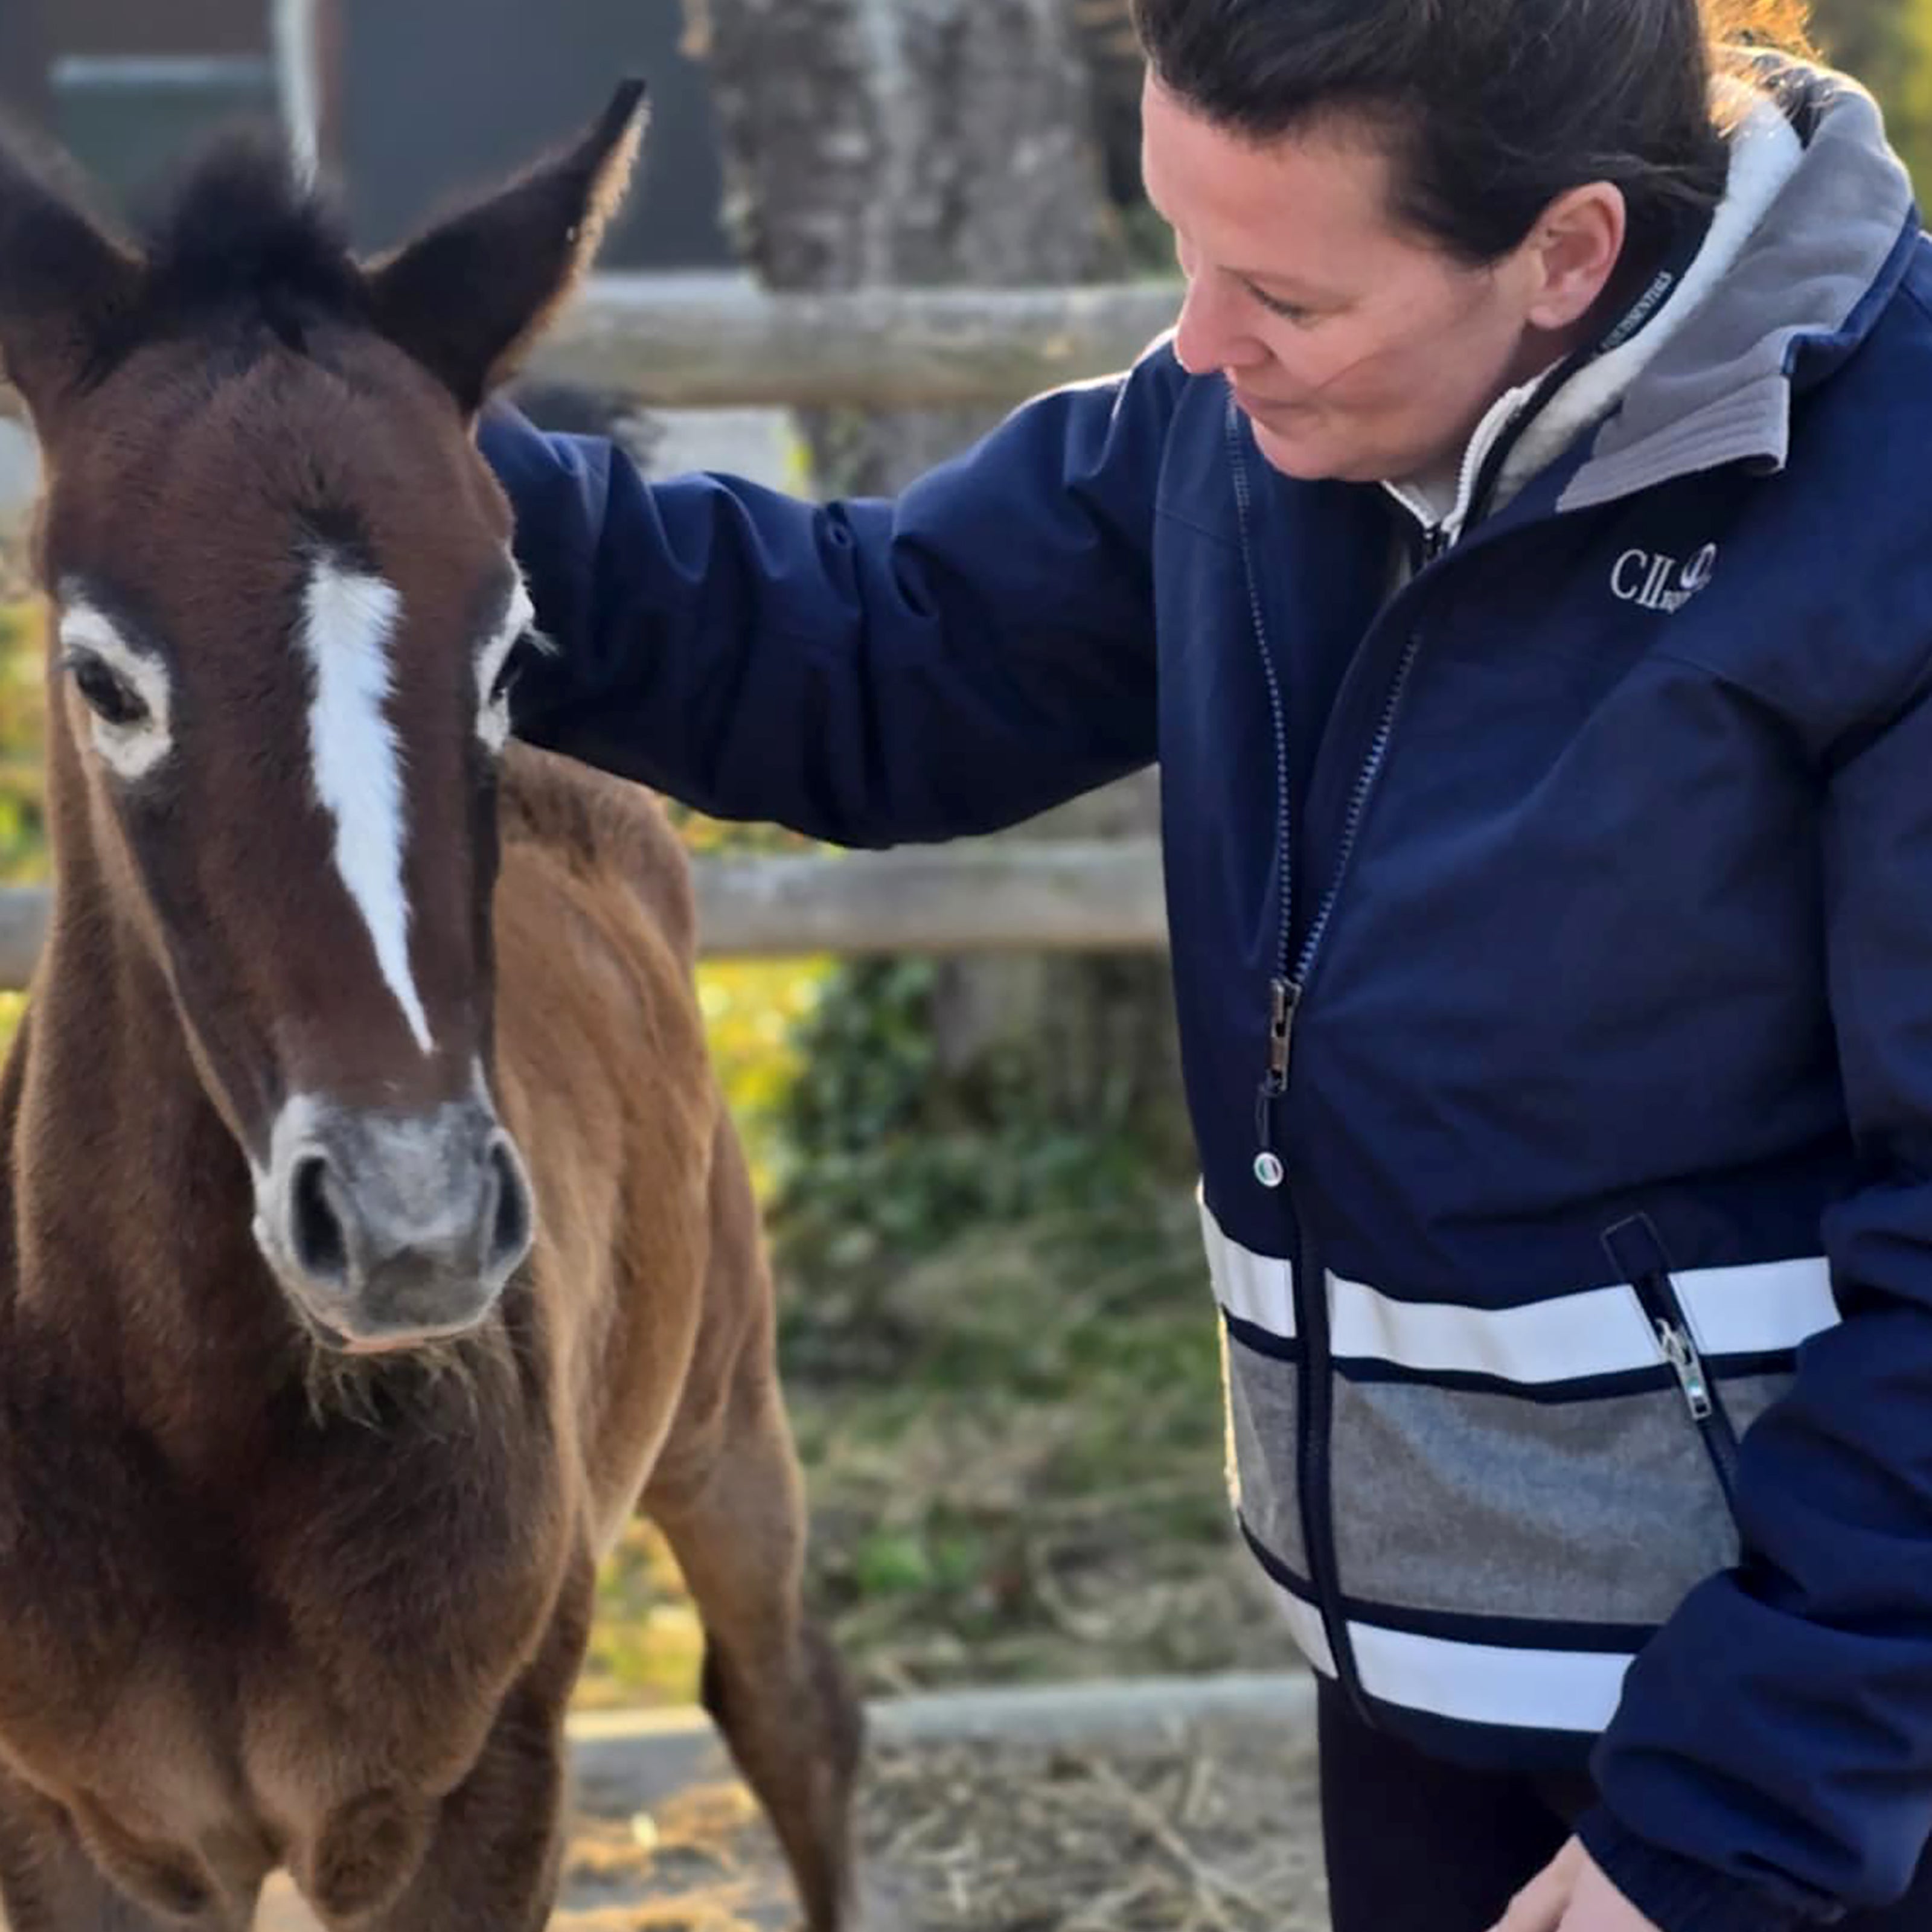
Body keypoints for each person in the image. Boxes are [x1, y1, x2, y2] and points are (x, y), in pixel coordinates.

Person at [479, 2, 1932, 1926]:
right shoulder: (1254, 432)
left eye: (1284, 295)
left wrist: (1735, 1818)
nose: (1196, 341)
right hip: (1417, 1684)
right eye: (1181, 245)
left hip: (1798, 1765)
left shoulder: (1894, 518)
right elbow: (881, 653)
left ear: (1567, 253)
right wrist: (372, 444)